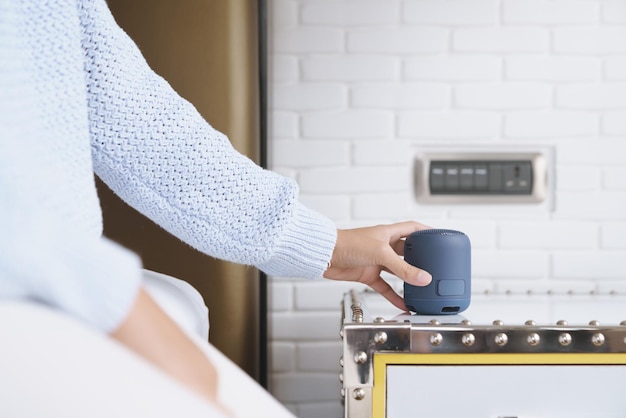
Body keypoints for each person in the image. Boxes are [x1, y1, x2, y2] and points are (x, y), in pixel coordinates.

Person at [0, 0, 432, 416]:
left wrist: (320, 243)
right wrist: (113, 295)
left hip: (62, 275)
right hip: (32, 287)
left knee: (182, 302)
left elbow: (132, 117)